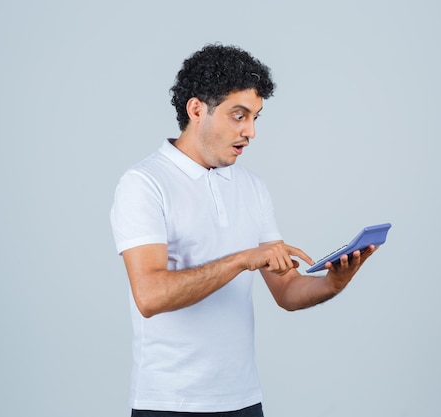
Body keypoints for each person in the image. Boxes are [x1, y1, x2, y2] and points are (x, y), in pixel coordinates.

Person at [110, 44, 377, 417]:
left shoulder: (252, 186)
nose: (250, 131)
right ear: (196, 109)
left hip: (243, 401)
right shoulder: (144, 183)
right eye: (239, 115)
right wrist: (241, 259)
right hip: (169, 403)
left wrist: (334, 282)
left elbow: (286, 290)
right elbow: (150, 296)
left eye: (255, 117)